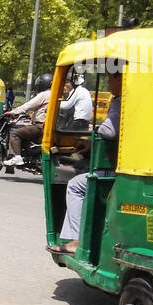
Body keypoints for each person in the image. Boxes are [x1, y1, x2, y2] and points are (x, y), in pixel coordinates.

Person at [50, 70, 122, 254]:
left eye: (110, 78)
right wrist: (90, 142)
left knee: (75, 185)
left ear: (121, 78)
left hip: (118, 169)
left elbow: (109, 131)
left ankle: (76, 241)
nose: (107, 83)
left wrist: (95, 132)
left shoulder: (122, 100)